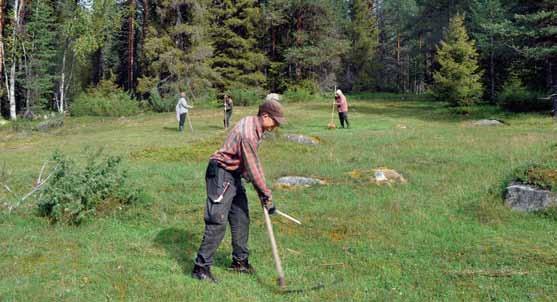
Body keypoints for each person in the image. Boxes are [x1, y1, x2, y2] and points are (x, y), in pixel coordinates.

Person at [191, 94, 286, 283]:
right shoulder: (249, 133)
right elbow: (252, 167)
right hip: (221, 173)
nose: (277, 126)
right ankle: (200, 268)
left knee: (241, 218)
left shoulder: (254, 125)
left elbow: (251, 166)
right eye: (276, 121)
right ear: (266, 116)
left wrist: (263, 194)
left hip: (234, 174)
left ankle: (240, 262)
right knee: (217, 220)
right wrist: (266, 194)